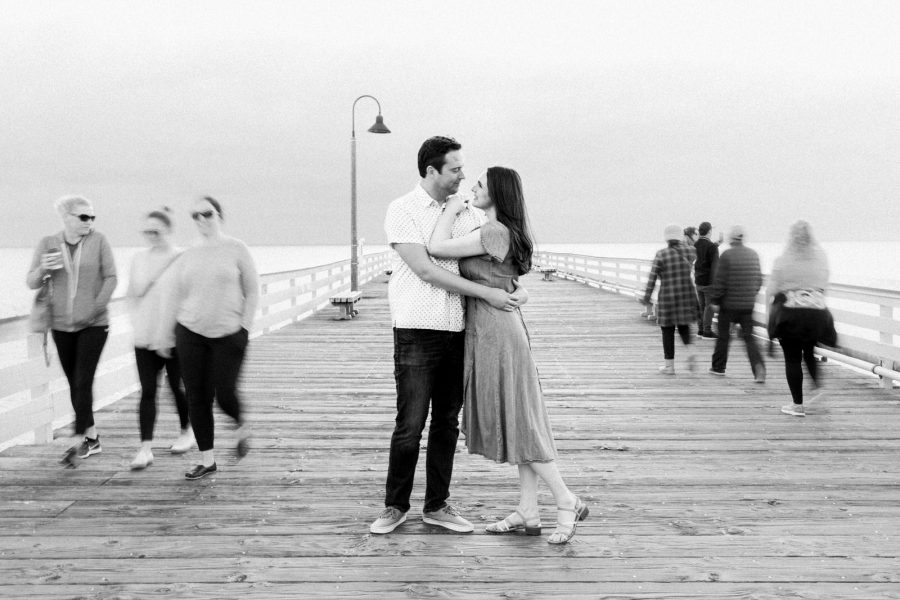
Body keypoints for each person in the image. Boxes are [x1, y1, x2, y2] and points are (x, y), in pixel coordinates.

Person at [370, 136, 526, 536]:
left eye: (463, 168)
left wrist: (515, 290)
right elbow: (426, 269)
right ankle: (395, 506)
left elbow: (499, 260)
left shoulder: (471, 214)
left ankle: (436, 505)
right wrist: (487, 293)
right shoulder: (402, 210)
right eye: (455, 169)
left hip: (461, 330)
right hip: (416, 328)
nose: (462, 175)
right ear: (431, 171)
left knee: (446, 423)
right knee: (410, 422)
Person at [428, 166, 589, 545]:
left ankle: (565, 499)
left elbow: (435, 248)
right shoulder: (503, 232)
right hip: (498, 326)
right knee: (517, 417)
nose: (473, 187)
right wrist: (522, 294)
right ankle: (528, 509)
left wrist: (451, 208)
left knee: (519, 422)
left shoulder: (493, 231)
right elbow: (508, 280)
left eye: (480, 184)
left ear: (497, 192)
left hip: (496, 332)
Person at [161, 196, 259, 480]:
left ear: (219, 215)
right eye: (195, 215)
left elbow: (252, 290)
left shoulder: (236, 248)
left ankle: (241, 425)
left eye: (207, 213)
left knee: (225, 393)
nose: (202, 219)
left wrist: (245, 327)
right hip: (190, 333)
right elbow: (176, 294)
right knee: (197, 397)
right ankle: (207, 460)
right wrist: (168, 332)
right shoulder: (188, 253)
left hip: (229, 334)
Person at [26, 195, 117, 467]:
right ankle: (92, 437)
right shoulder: (49, 244)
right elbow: (31, 281)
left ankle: (78, 443)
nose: (90, 222)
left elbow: (112, 277)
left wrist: (95, 308)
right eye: (83, 217)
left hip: (94, 324)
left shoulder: (99, 241)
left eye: (92, 217)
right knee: (74, 382)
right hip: (61, 326)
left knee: (82, 381)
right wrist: (44, 268)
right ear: (67, 218)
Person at [126, 208, 193, 470]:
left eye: (157, 231)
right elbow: (132, 294)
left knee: (177, 387)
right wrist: (137, 322)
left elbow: (187, 299)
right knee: (148, 391)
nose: (151, 236)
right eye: (147, 232)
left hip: (175, 338)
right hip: (144, 337)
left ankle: (187, 431)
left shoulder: (181, 258)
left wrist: (171, 334)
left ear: (168, 231)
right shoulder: (138, 259)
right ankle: (145, 449)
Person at [768, 221, 833, 417]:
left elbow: (772, 290)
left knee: (792, 358)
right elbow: (824, 284)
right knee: (809, 351)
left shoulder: (783, 259)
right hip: (815, 314)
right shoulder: (820, 258)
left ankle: (797, 405)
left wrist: (769, 318)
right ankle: (818, 388)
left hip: (791, 315)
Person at [707, 225, 765, 381]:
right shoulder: (753, 255)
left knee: (724, 336)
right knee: (748, 337)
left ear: (731, 239)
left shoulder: (727, 255)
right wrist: (750, 295)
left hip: (728, 306)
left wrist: (715, 300)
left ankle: (718, 367)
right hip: (747, 306)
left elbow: (720, 281)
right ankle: (758, 366)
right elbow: (759, 280)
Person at [641, 224, 698, 375]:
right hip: (686, 295)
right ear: (681, 237)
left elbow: (652, 278)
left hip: (667, 297)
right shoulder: (690, 251)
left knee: (667, 331)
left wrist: (646, 297)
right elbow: (693, 249)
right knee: (684, 327)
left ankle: (669, 367)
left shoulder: (661, 255)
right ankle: (690, 351)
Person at [694, 221, 720, 338]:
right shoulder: (712, 247)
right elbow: (715, 266)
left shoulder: (696, 244)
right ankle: (707, 331)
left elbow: (704, 250)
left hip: (698, 280)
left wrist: (717, 244)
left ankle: (700, 329)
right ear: (709, 231)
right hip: (709, 282)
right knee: (709, 307)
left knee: (701, 306)